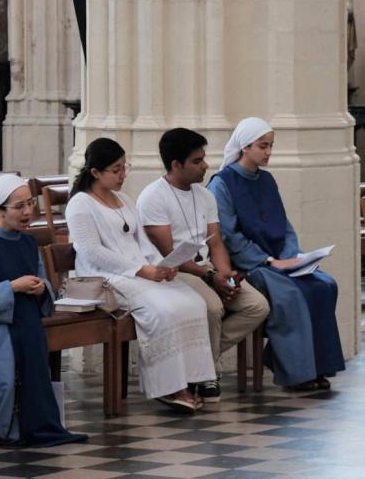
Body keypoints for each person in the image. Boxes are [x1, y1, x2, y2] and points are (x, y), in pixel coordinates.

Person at [65, 138, 216, 413]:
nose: (123, 175)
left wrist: (162, 265)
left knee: (193, 302)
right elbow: (91, 252)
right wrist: (141, 270)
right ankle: (170, 388)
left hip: (139, 272)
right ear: (96, 172)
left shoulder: (123, 199)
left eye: (125, 167)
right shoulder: (80, 204)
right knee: (165, 309)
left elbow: (142, 243)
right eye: (116, 169)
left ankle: (192, 380)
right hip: (105, 277)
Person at [208, 117, 344, 391]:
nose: (268, 152)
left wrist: (294, 257)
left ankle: (316, 366)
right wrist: (271, 261)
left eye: (271, 146)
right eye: (263, 146)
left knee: (325, 286)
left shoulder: (267, 180)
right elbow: (230, 237)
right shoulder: (221, 184)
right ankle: (297, 373)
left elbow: (284, 225)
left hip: (279, 262)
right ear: (244, 147)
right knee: (290, 295)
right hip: (249, 266)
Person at [138, 128, 270, 403]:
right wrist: (211, 277)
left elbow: (217, 243)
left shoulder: (205, 195)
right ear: (176, 165)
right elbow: (169, 253)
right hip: (176, 273)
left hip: (207, 270)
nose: (205, 166)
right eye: (197, 161)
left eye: (204, 159)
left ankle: (203, 362)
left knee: (256, 306)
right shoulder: (153, 197)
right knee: (212, 307)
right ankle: (207, 375)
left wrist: (225, 275)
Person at [0, 175, 87, 446]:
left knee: (34, 379)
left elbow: (45, 285)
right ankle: (3, 429)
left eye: (31, 203)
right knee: (4, 384)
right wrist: (11, 287)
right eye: (19, 206)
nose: (28, 212)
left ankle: (37, 425)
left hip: (29, 326)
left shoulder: (29, 243)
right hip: (0, 332)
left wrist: (42, 290)